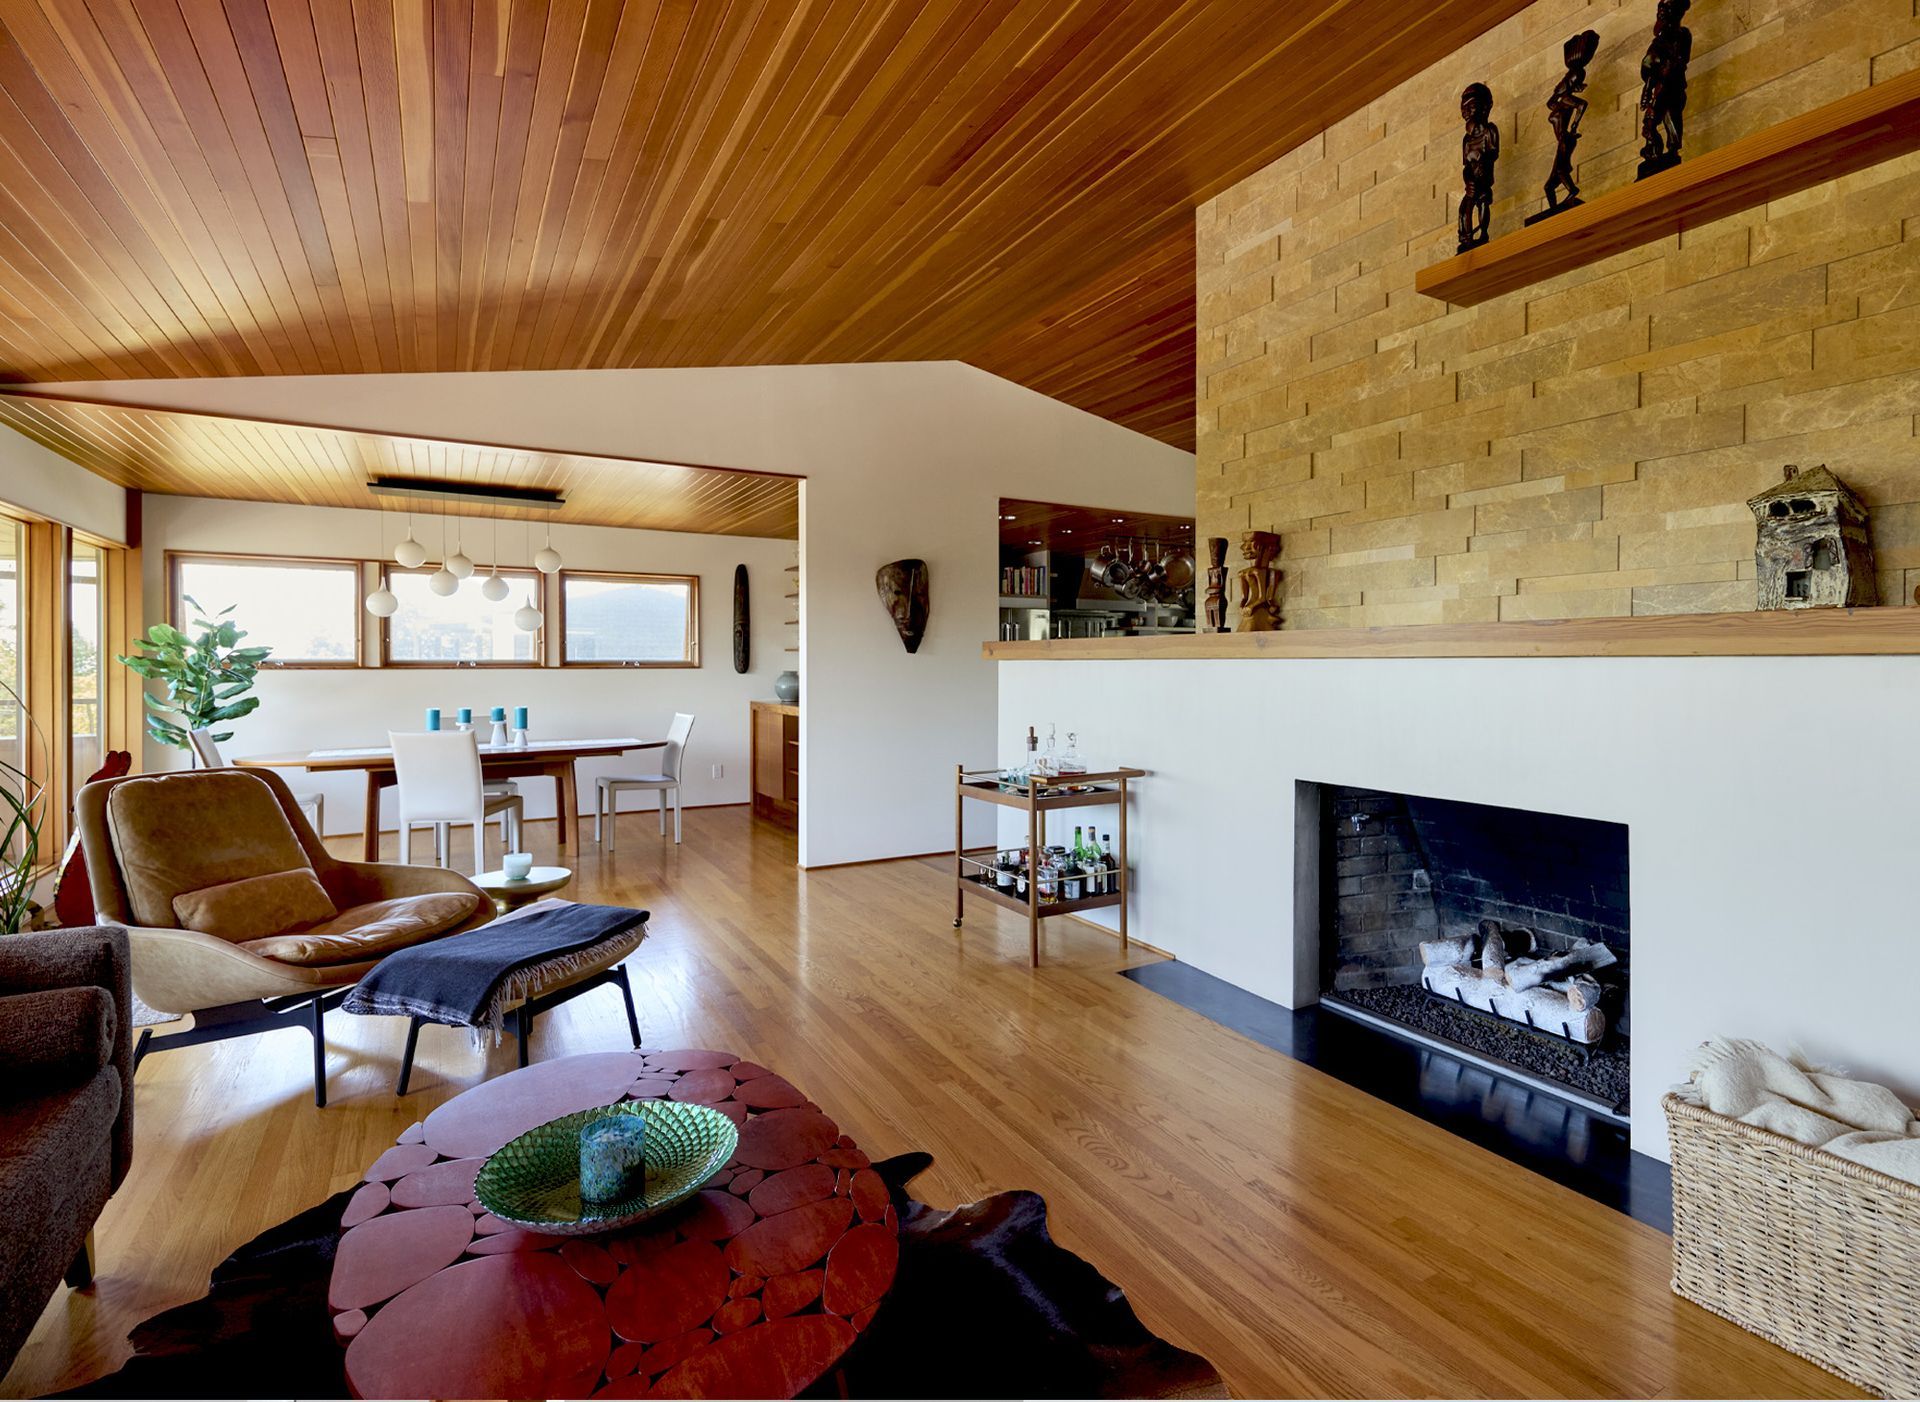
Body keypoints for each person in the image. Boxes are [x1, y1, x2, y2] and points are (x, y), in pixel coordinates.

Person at [1457, 82, 1499, 253]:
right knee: (1464, 208)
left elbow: (1493, 153)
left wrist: (1481, 161)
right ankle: (1466, 237)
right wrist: (1468, 181)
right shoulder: (1466, 140)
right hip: (1472, 180)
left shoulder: (1490, 131)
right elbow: (1466, 166)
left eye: (1471, 106)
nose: (1466, 112)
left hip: (1484, 176)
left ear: (1484, 108)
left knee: (1482, 203)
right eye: (1463, 108)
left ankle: (1483, 234)